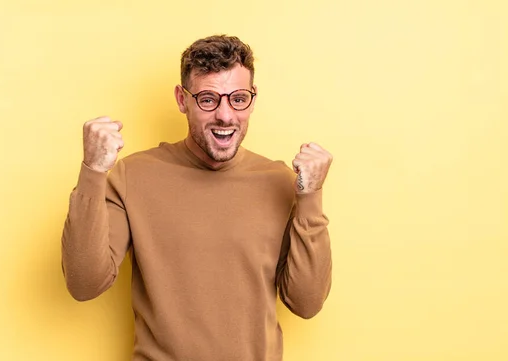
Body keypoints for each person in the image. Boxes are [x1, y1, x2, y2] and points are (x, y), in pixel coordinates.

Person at [61, 35, 333, 361]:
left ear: (253, 99)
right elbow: (84, 284)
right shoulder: (132, 176)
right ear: (181, 99)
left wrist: (310, 198)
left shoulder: (280, 181)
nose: (225, 115)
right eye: (208, 99)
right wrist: (92, 171)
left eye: (239, 99)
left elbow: (306, 303)